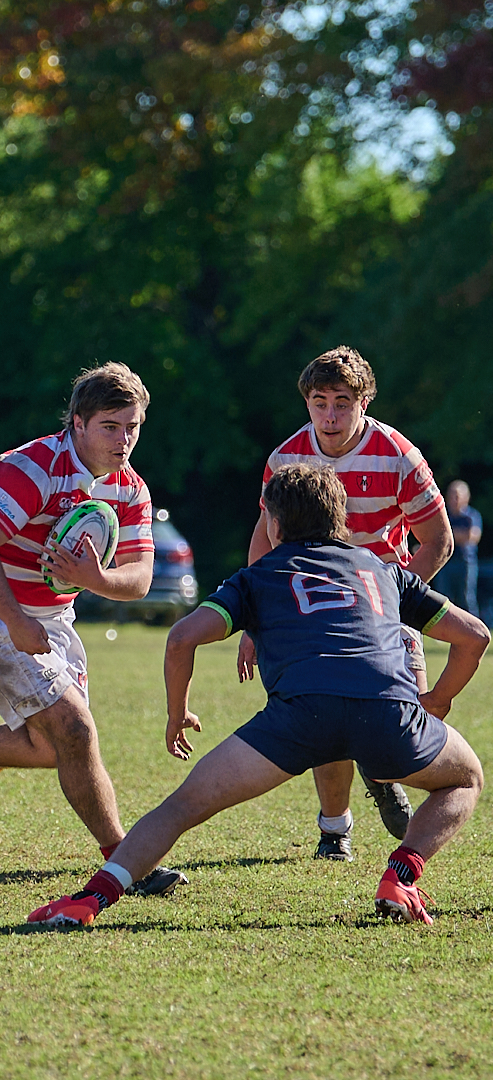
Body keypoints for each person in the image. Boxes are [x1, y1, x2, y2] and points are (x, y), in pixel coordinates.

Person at [28, 463, 488, 929]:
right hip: (387, 714)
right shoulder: (385, 571)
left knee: (181, 808)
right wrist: (438, 701)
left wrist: (177, 713)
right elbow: (474, 636)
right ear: (341, 517)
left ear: (273, 522)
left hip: (297, 720)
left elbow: (182, 638)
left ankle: (91, 899)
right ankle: (402, 875)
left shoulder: (258, 576)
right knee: (466, 778)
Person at [0, 362, 186, 897]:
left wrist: (95, 578)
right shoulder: (32, 465)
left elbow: (141, 579)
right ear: (78, 422)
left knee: (51, 746)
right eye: (111, 426)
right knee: (75, 729)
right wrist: (14, 622)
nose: (124, 440)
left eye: (133, 427)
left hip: (52, 618)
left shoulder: (131, 490)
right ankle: (128, 863)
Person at [238, 346, 454, 861]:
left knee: (405, 729)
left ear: (364, 402)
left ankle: (383, 775)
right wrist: (254, 623)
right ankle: (335, 830)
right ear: (307, 403)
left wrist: (395, 607)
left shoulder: (399, 455)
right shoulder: (286, 458)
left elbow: (438, 540)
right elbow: (263, 543)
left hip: (385, 612)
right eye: (319, 402)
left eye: (342, 402)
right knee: (324, 720)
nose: (330, 415)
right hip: (313, 612)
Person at [434, 481, 482, 616]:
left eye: (457, 495)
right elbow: (435, 535)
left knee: (466, 599)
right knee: (442, 599)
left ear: (466, 497)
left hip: (465, 563)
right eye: (451, 495)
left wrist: (447, 534)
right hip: (445, 562)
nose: (453, 499)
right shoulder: (444, 515)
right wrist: (457, 534)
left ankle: (473, 632)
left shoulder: (471, 515)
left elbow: (472, 536)